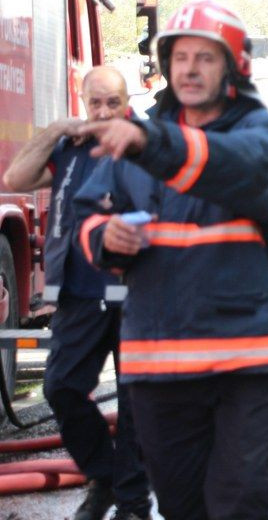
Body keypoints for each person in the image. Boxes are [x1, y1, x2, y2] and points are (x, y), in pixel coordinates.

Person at [72, 0, 268, 519]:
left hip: (242, 363)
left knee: (239, 505)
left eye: (206, 57)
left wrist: (152, 142)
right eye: (180, 57)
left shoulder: (264, 138)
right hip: (158, 366)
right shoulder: (137, 141)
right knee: (182, 510)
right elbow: (87, 216)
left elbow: (235, 168)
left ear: (233, 69)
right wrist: (105, 236)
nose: (190, 69)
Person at [2, 67, 152, 520]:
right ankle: (103, 476)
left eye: (113, 102)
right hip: (79, 294)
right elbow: (16, 178)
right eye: (95, 103)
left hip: (138, 294)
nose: (104, 112)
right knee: (61, 388)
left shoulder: (148, 144)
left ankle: (131, 503)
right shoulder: (69, 147)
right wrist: (53, 130)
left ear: (127, 101)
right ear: (83, 103)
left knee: (136, 403)